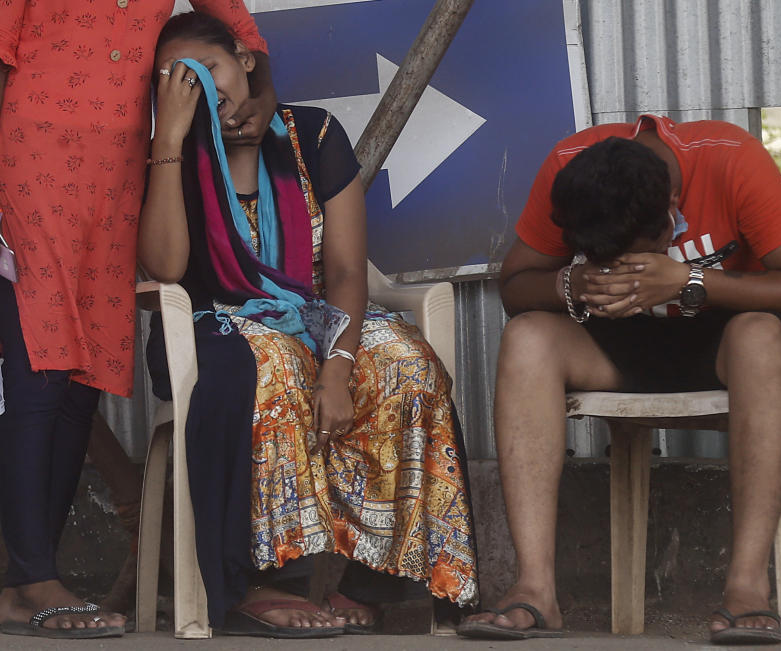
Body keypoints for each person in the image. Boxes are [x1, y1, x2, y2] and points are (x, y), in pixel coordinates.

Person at [139, 12, 478, 638]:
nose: (197, 89)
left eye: (206, 70)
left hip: (321, 313)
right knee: (274, 364)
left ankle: (373, 580)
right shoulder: (169, 151)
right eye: (175, 79)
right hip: (212, 330)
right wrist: (169, 141)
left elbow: (348, 268)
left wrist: (341, 365)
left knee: (408, 363)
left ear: (245, 60)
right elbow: (164, 268)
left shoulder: (312, 134)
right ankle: (267, 582)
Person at [457, 119, 781, 644]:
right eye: (608, 259)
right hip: (624, 343)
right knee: (527, 338)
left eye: (639, 254)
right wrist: (572, 280)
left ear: (673, 206)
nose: (626, 268)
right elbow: (517, 288)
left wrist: (691, 280)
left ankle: (748, 587)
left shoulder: (730, 158)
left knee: (759, 337)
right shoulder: (570, 168)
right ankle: (535, 589)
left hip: (730, 340)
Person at [0, 0, 274, 639]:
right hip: (31, 158)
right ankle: (33, 576)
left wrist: (260, 98)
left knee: (81, 376)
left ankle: (24, 580)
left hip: (121, 172)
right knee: (40, 366)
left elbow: (244, 35)